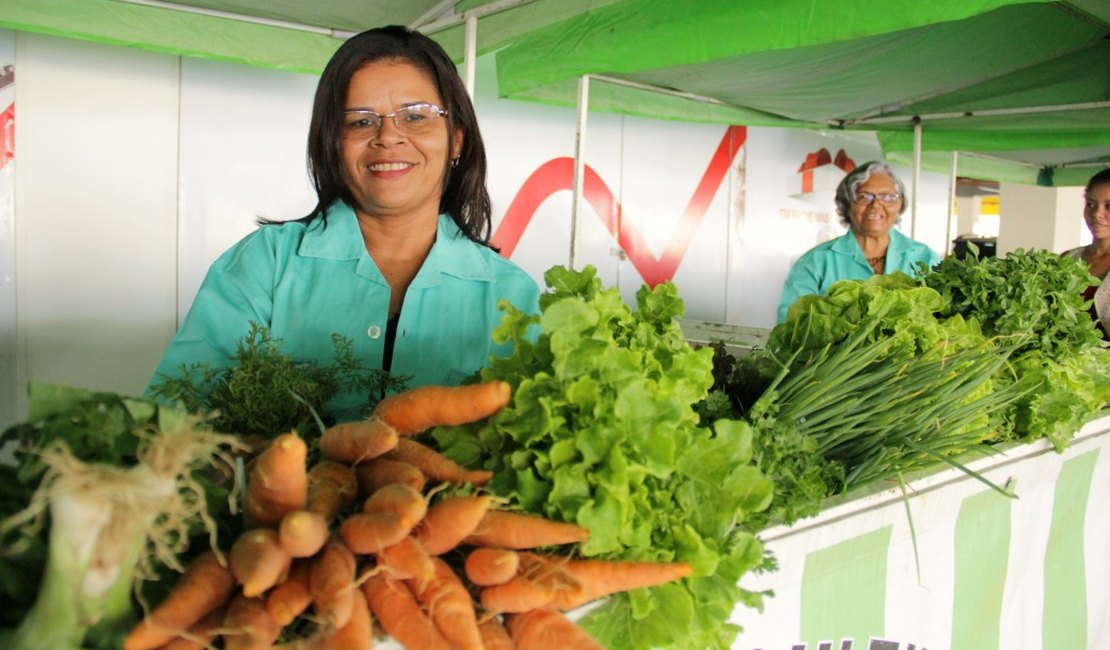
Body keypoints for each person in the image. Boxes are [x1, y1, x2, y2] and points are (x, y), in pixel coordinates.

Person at [147, 25, 540, 420]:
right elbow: (175, 420)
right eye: (360, 121)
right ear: (331, 142)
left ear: (456, 139)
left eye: (416, 116)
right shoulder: (265, 264)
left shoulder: (512, 296)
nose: (388, 137)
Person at [776, 160, 941, 322]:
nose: (876, 204)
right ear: (847, 203)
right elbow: (791, 325)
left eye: (888, 196)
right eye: (864, 196)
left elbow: (941, 321)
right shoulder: (815, 262)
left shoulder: (925, 258)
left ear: (900, 204)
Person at [1061, 168, 1110, 338]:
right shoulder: (1068, 259)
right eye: (1091, 204)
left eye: (1109, 206)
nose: (1097, 214)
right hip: (1066, 362)